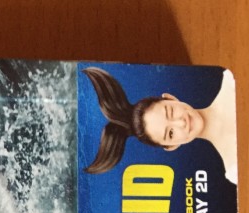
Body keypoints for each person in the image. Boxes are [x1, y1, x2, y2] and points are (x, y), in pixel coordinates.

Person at [83, 67, 237, 184]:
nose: (181, 123)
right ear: (172, 146)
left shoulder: (232, 79)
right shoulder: (234, 171)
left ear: (171, 98)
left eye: (171, 112)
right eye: (170, 133)